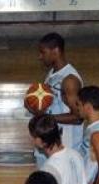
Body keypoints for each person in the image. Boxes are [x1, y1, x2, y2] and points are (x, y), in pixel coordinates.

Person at [29, 33, 83, 168]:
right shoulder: (52, 74)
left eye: (43, 52)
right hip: (48, 146)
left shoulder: (70, 80)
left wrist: (47, 118)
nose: (40, 57)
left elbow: (78, 117)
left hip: (65, 149)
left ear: (56, 51)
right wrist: (32, 106)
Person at [29, 115, 90, 184]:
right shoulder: (76, 155)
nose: (32, 141)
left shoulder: (49, 170)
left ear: (41, 141)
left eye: (33, 137)